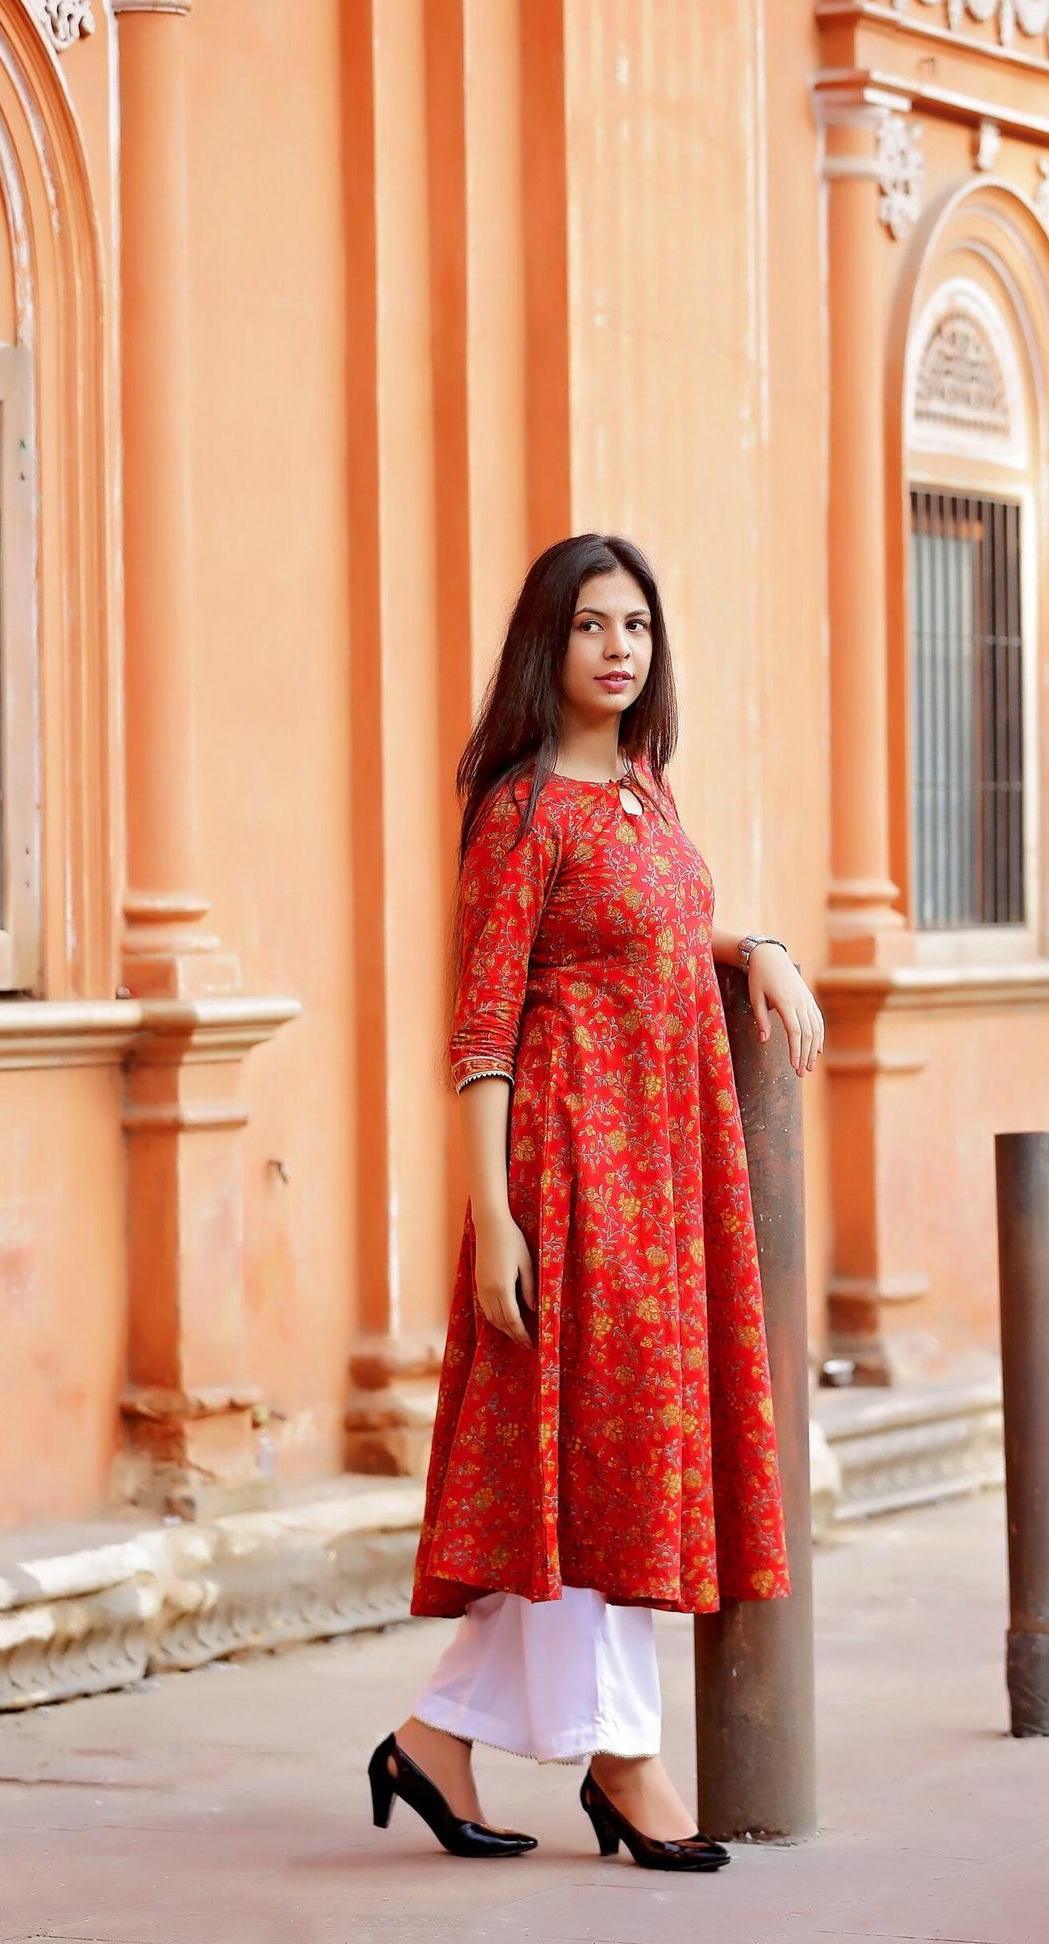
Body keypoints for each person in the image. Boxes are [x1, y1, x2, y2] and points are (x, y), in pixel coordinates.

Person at [367, 533, 823, 1872]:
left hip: (666, 1182)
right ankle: (622, 1762)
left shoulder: (643, 792)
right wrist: (495, 1219)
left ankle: (434, 1743)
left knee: (586, 1471)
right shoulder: (519, 812)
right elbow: (481, 1030)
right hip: (569, 1188)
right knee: (608, 1462)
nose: (617, 648)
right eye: (590, 627)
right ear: (546, 649)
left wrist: (762, 948)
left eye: (634, 625)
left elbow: (664, 934)